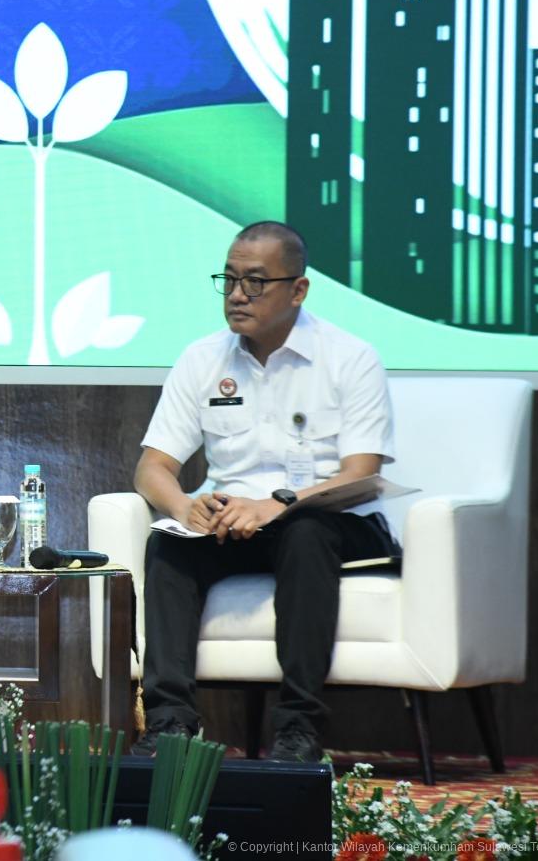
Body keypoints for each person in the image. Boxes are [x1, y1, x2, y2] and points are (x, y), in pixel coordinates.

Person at [130, 221, 398, 763]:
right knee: (169, 543)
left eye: (254, 282)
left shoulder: (350, 357)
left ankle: (298, 728)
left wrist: (277, 506)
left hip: (332, 521)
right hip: (235, 523)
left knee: (305, 531)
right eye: (228, 280)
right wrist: (186, 506)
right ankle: (169, 724)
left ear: (298, 290)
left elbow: (360, 473)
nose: (236, 295)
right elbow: (152, 468)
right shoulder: (202, 359)